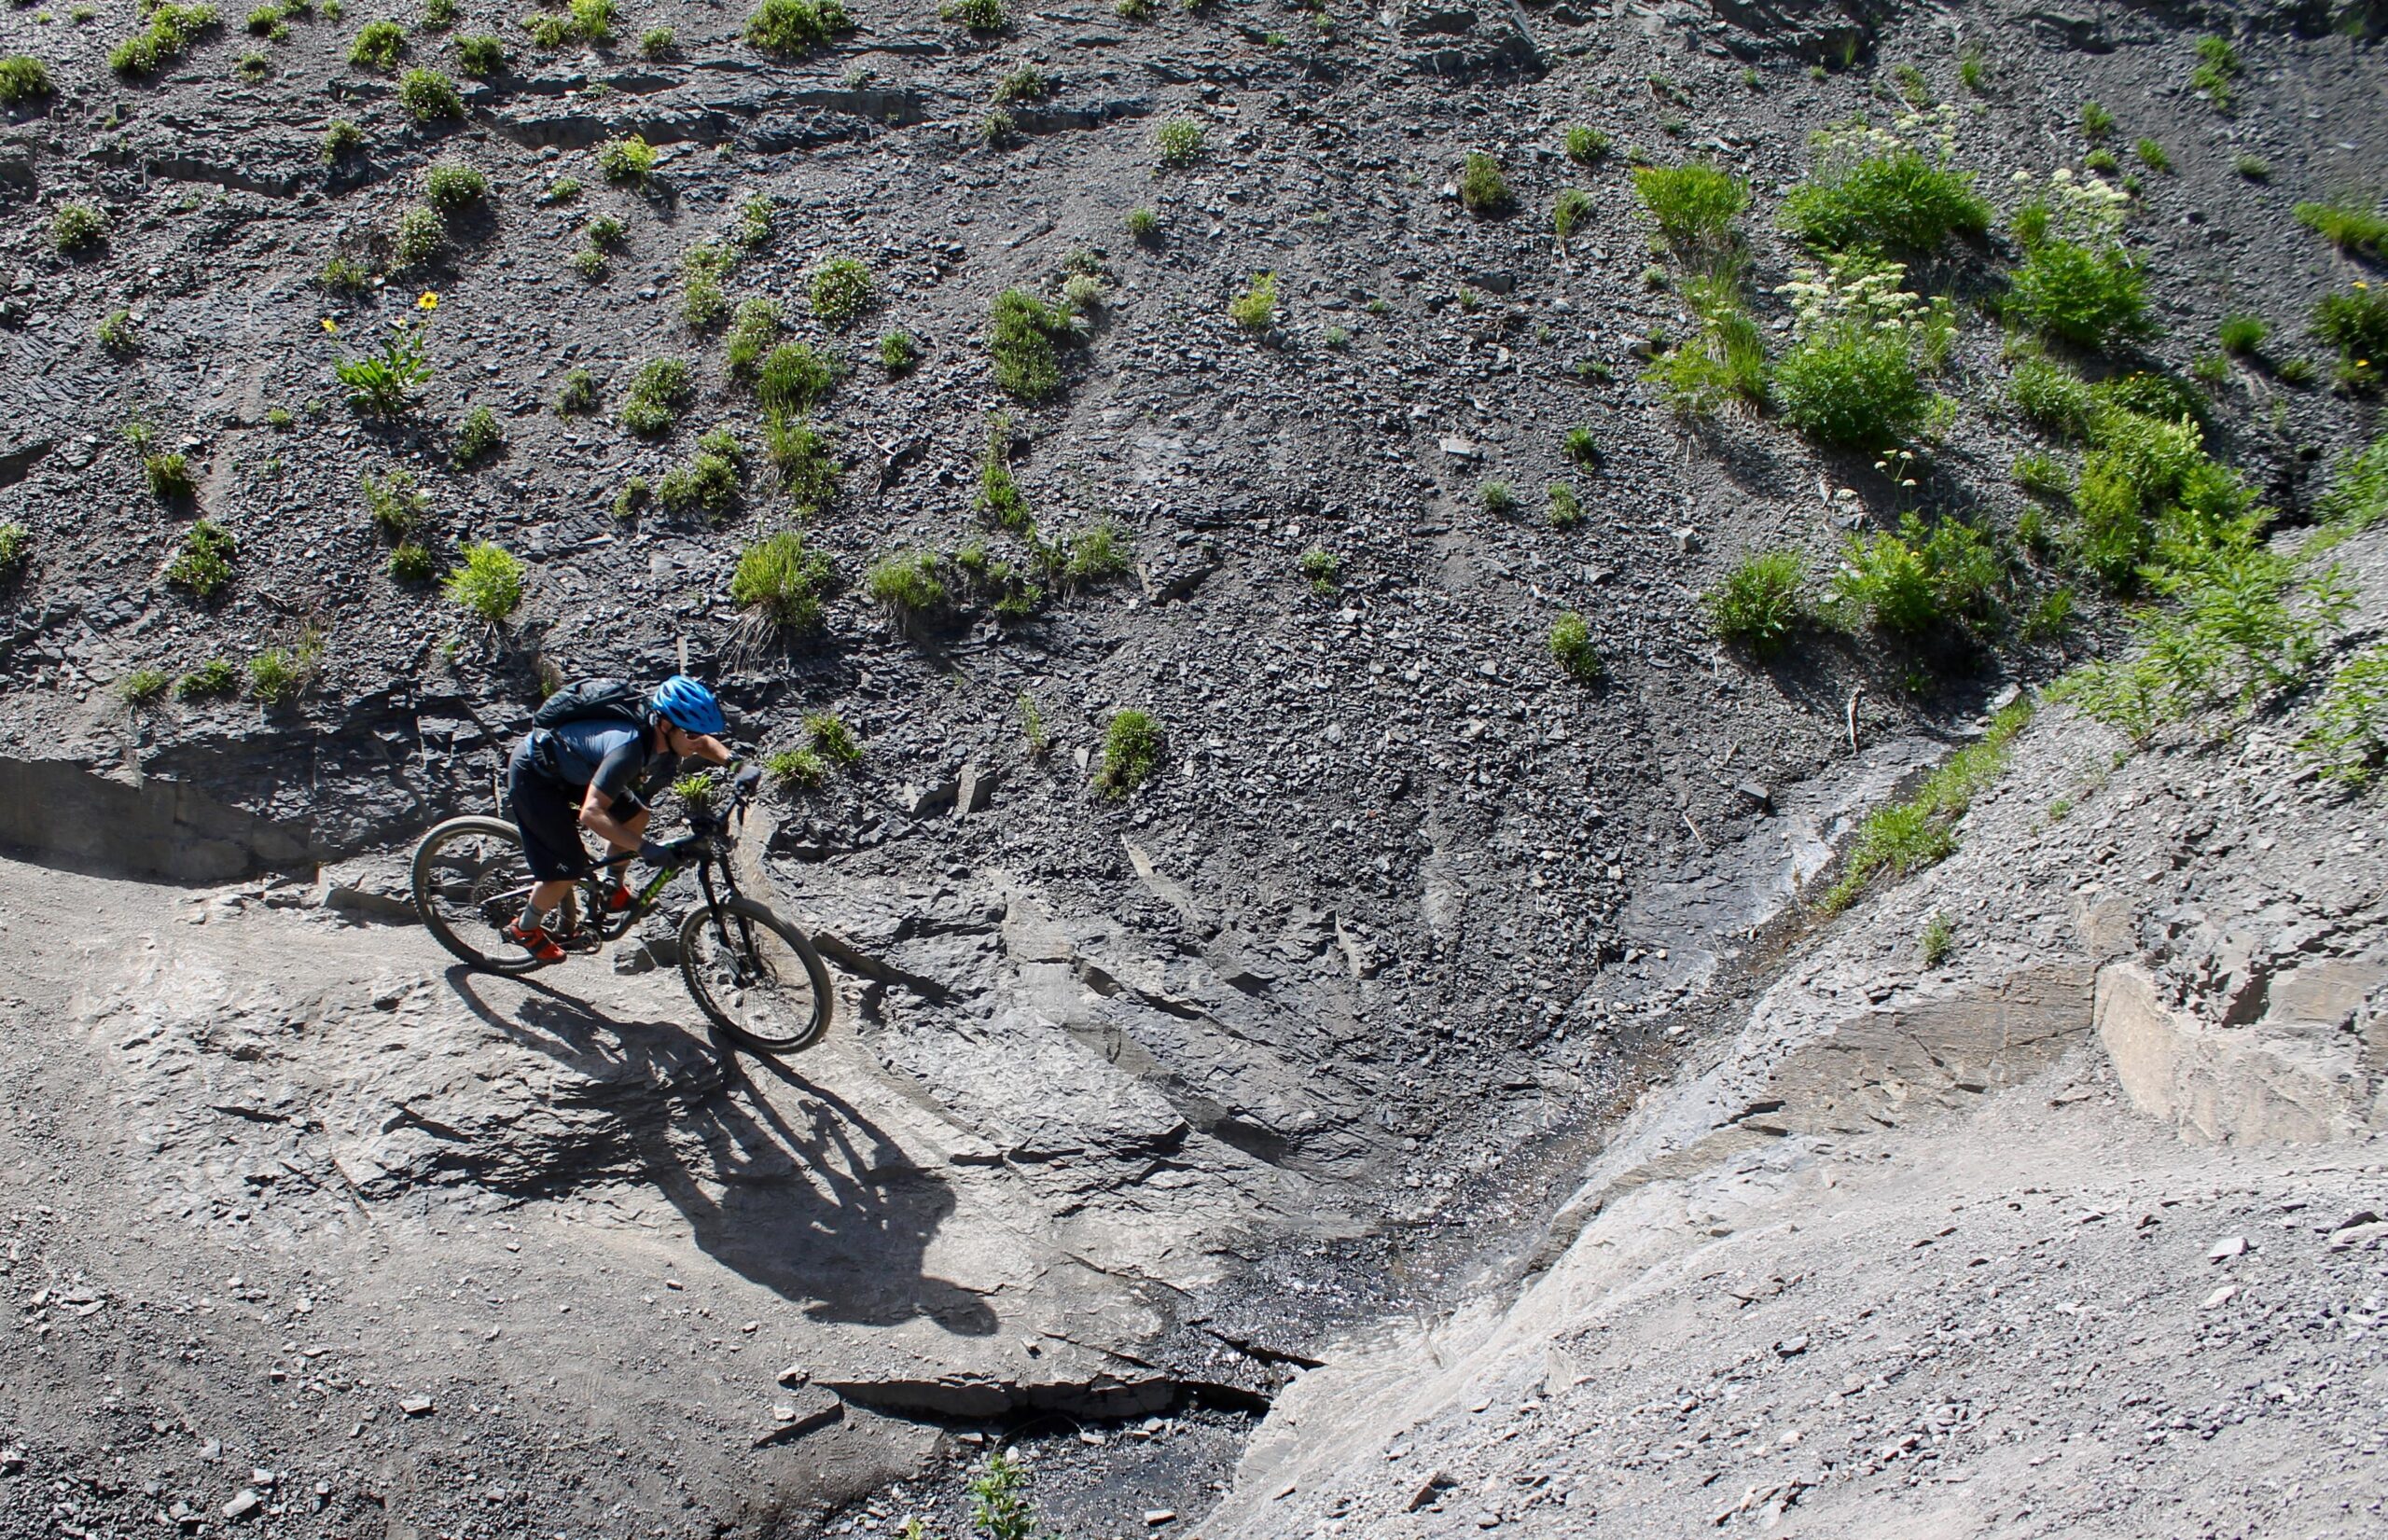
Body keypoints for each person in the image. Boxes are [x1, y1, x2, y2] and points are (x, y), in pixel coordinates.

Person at [503, 675, 735, 963]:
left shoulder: (665, 732)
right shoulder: (629, 748)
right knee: (567, 871)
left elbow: (701, 742)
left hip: (575, 770)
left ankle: (613, 890)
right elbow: (591, 813)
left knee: (637, 815)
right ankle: (525, 928)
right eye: (690, 734)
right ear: (665, 724)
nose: (696, 741)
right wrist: (644, 848)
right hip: (535, 776)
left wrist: (734, 762)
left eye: (697, 733)